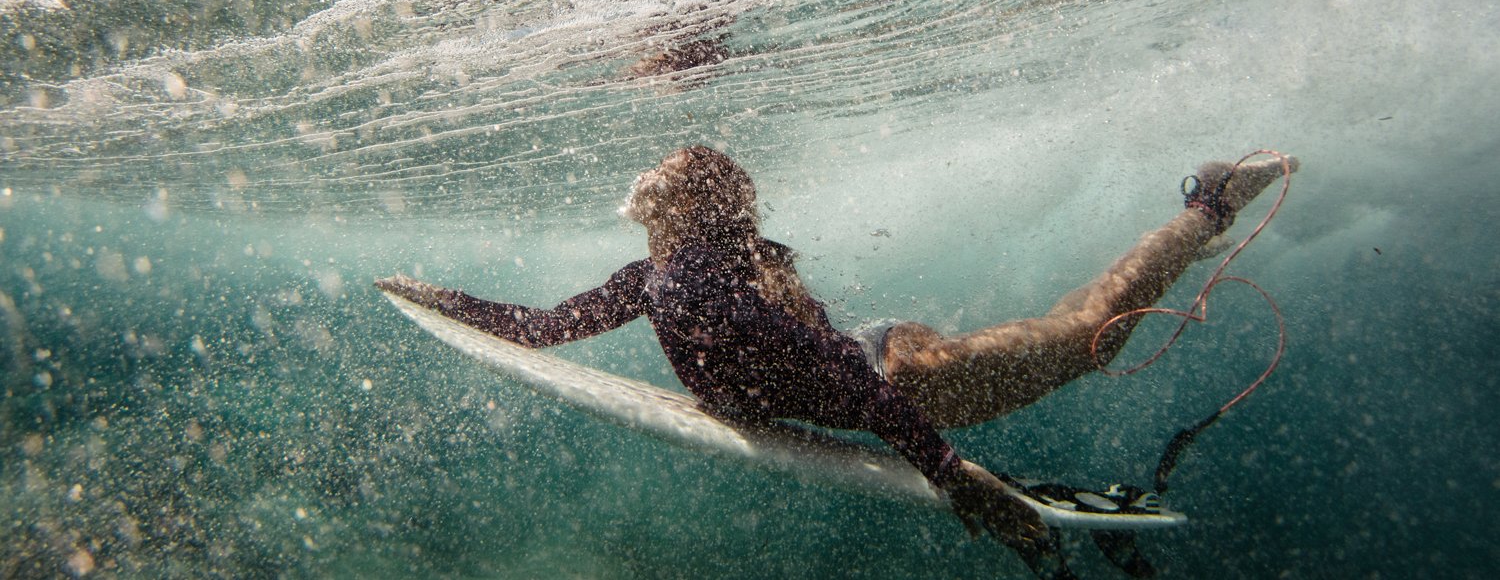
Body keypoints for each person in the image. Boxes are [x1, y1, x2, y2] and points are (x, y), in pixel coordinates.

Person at [377, 146, 1294, 575]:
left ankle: (1204, 209)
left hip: (909, 379)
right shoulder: (657, 276)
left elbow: (849, 379)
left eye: (664, 169)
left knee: (1088, 335)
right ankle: (1200, 215)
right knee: (1081, 331)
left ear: (688, 202)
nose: (643, 175)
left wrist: (949, 472)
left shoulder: (692, 284)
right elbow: (543, 327)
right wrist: (443, 300)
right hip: (877, 369)